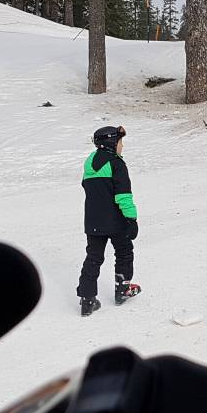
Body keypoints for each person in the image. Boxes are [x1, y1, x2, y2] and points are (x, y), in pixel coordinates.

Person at [78, 125, 140, 316]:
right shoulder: (117, 164)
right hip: (116, 221)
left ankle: (87, 299)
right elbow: (123, 196)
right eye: (120, 142)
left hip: (93, 222)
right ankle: (123, 289)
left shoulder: (89, 165)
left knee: (93, 258)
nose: (122, 146)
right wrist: (131, 218)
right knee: (124, 252)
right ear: (112, 143)